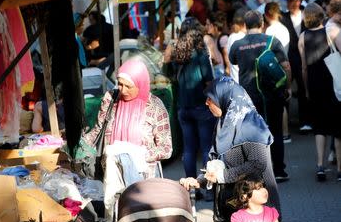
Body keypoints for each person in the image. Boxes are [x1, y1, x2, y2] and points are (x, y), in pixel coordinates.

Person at [180, 77, 283, 222]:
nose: (206, 102)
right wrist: (200, 180)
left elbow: (257, 164)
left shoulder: (251, 125)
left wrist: (223, 176)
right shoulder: (223, 125)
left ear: (224, 97)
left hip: (253, 214)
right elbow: (216, 163)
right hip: (228, 212)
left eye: (211, 98)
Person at [229, 10, 292, 182]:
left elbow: (233, 61)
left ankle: (259, 172)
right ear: (262, 24)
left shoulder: (237, 45)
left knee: (253, 134)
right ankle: (278, 170)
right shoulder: (272, 41)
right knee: (276, 131)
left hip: (248, 97)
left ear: (245, 25)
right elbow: (286, 66)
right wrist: (287, 87)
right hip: (272, 94)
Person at [84, 59, 172, 179]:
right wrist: (80, 144)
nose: (123, 90)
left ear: (140, 84)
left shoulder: (155, 106)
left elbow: (166, 148)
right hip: (112, 175)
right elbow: (98, 130)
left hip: (144, 179)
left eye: (128, 86)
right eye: (120, 84)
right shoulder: (110, 99)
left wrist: (136, 155)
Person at [298, 2, 341, 181]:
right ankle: (340, 169)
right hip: (333, 84)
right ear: (322, 15)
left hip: (315, 85)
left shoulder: (302, 37)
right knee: (338, 127)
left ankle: (320, 166)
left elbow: (304, 68)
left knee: (319, 128)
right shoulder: (332, 32)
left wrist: (307, 89)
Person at [171, 17, 216, 182]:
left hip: (183, 107)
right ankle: (208, 186)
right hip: (201, 106)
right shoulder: (201, 53)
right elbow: (209, 81)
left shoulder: (178, 54)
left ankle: (191, 186)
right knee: (206, 148)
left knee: (188, 149)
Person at [281, 0, 312, 132]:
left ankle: (305, 121)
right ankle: (284, 122)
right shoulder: (283, 17)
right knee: (284, 89)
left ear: (299, 2)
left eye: (293, 1)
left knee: (303, 88)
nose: (290, 4)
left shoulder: (307, 14)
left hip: (305, 57)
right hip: (288, 58)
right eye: (288, 1)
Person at [265, 1, 292, 144]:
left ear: (267, 14)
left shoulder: (269, 31)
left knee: (276, 103)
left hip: (273, 67)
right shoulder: (284, 29)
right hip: (285, 65)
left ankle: (281, 133)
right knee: (283, 101)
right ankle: (286, 133)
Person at [226, 11, 246, 83]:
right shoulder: (242, 37)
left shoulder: (231, 37)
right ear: (244, 24)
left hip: (234, 76)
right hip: (243, 77)